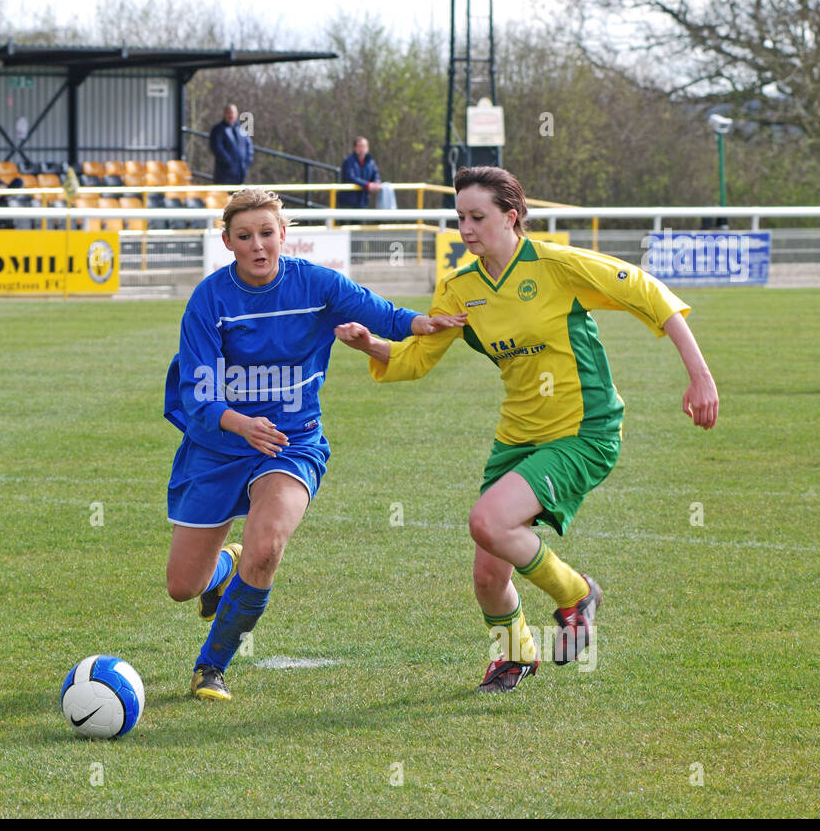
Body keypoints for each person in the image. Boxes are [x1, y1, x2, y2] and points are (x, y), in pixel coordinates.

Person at [337, 165, 719, 693]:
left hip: (584, 431)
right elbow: (417, 360)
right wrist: (371, 346)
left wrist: (700, 377)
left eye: (478, 217)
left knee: (488, 521)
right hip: (517, 437)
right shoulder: (460, 288)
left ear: (511, 216)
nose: (466, 229)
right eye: (460, 218)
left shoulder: (557, 265)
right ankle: (515, 657)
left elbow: (650, 294)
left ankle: (576, 593)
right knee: (488, 576)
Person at [163, 186, 466, 700]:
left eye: (266, 233)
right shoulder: (209, 300)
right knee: (182, 587)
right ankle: (224, 568)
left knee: (266, 549)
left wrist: (421, 323)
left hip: (292, 443)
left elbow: (379, 311)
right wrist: (240, 423)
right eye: (244, 235)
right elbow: (197, 394)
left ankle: (211, 667)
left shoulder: (317, 285)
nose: (258, 245)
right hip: (217, 446)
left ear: (284, 235)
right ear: (227, 241)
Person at [209, 105, 253, 185]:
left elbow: (249, 146)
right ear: (224, 114)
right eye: (228, 113)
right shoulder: (218, 130)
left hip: (241, 172)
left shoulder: (241, 128)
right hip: (224, 172)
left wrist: (247, 162)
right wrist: (229, 162)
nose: (230, 115)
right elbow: (217, 148)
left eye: (232, 113)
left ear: (236, 114)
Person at [338, 136, 382, 208]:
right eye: (360, 146)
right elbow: (351, 177)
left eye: (364, 146)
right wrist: (367, 185)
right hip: (348, 202)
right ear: (355, 148)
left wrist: (377, 183)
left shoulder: (370, 162)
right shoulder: (349, 162)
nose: (362, 149)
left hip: (363, 201)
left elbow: (375, 174)